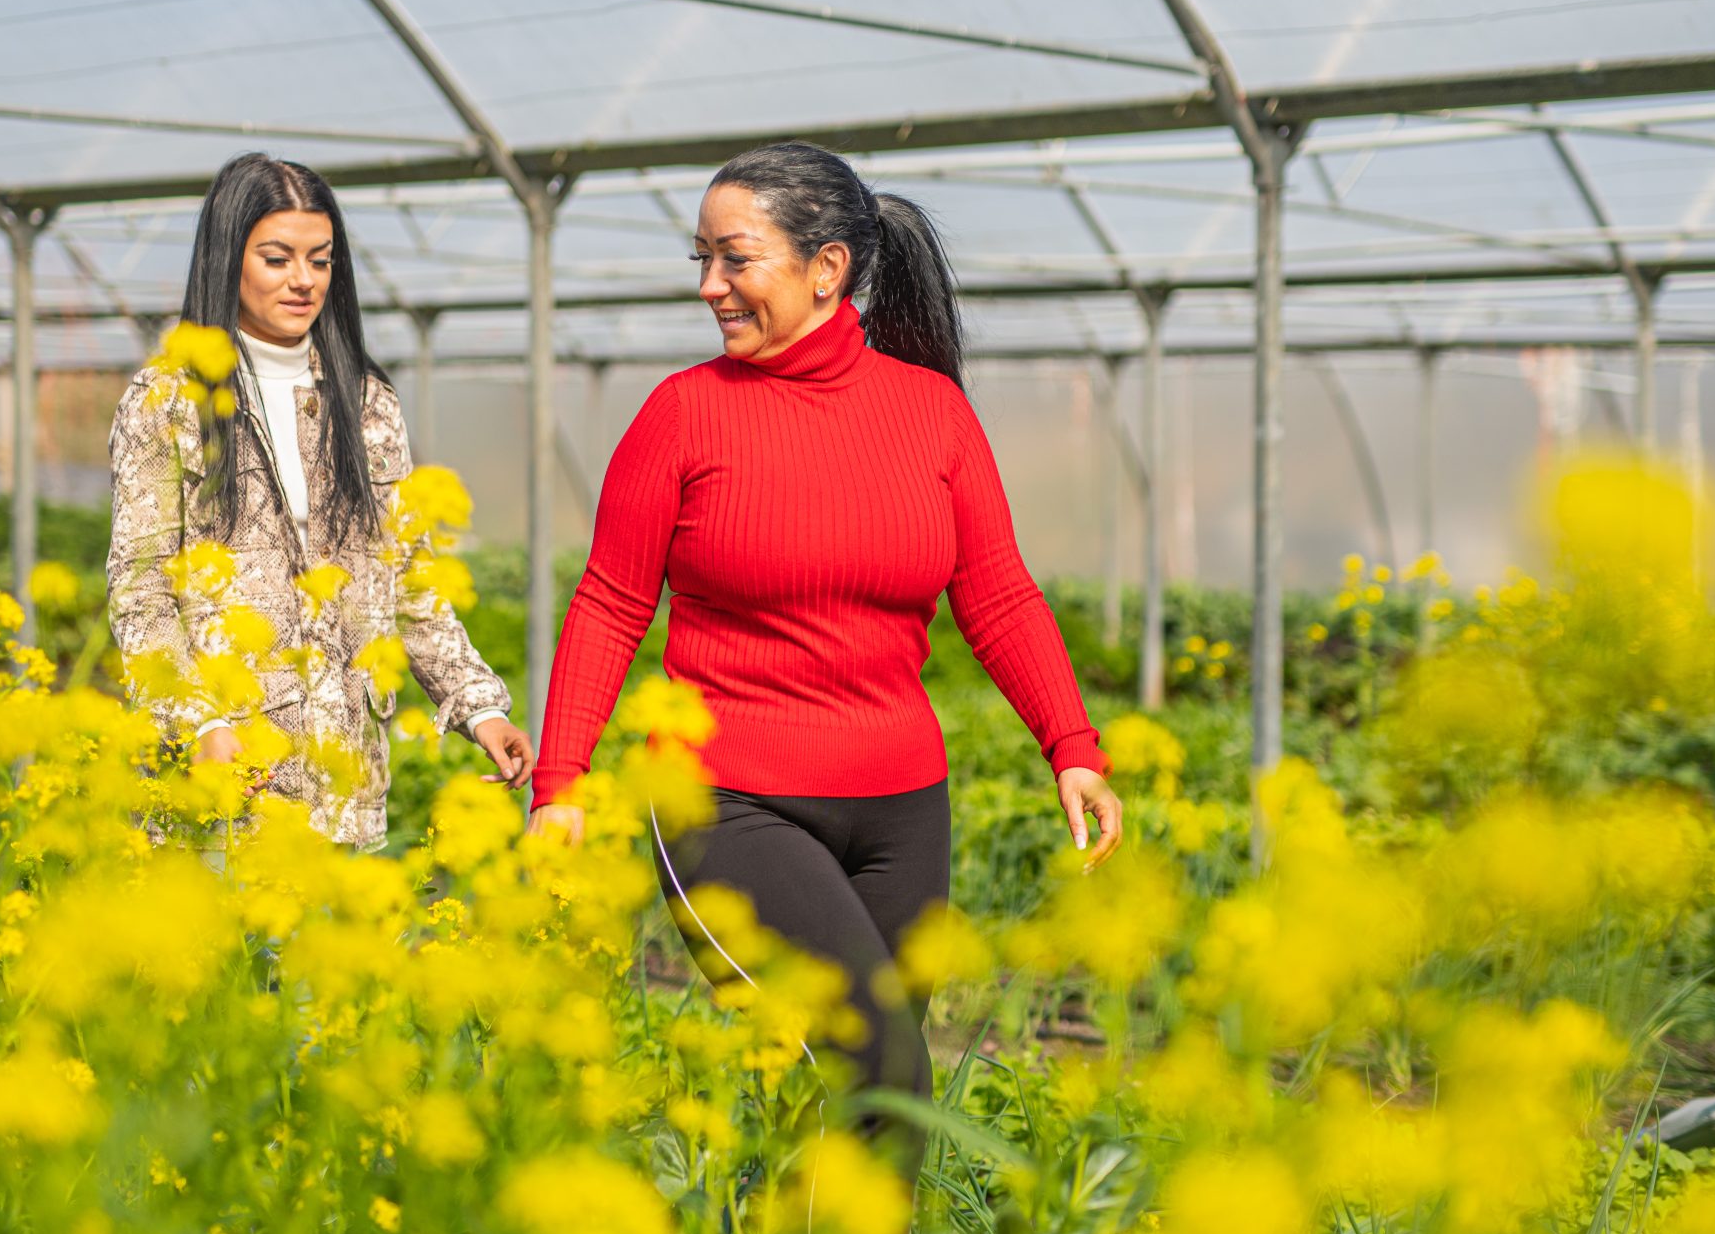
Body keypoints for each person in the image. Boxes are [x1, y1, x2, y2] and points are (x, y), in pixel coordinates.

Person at [527, 141, 1123, 1109]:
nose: (711, 287)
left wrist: (1072, 745)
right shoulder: (680, 415)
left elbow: (998, 591)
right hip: (726, 801)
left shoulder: (931, 412)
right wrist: (561, 783)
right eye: (702, 261)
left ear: (827, 268)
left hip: (902, 807)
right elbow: (610, 601)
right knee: (877, 1067)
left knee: (860, 1097)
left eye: (736, 258)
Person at [107, 154, 533, 848]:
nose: (303, 280)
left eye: (321, 259)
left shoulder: (365, 403)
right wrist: (202, 724)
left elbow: (410, 581)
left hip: (347, 786)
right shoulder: (168, 401)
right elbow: (141, 589)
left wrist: (479, 707)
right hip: (223, 782)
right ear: (227, 259)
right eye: (277, 258)